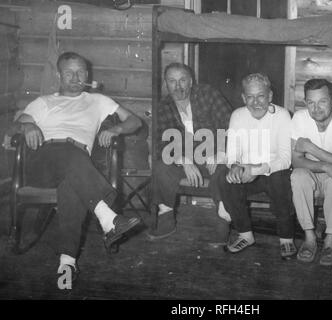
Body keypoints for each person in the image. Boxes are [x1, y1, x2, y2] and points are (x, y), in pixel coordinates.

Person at [15, 52, 142, 281]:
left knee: (71, 185)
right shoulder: (44, 101)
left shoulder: (98, 101)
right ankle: (108, 217)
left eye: (80, 72)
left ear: (87, 75)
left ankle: (67, 263)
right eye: (68, 72)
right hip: (43, 161)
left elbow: (134, 120)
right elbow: (20, 121)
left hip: (75, 165)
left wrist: (116, 129)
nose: (75, 77)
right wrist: (27, 126)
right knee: (72, 155)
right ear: (58, 75)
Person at [217, 73, 296, 259]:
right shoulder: (237, 115)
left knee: (280, 178)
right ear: (243, 98)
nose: (256, 102)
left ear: (270, 96)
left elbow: (286, 159)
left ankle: (286, 238)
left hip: (273, 171)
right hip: (247, 171)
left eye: (261, 96)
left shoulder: (283, 115)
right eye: (250, 97)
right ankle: (245, 235)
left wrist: (256, 169)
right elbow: (232, 153)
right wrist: (235, 166)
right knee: (225, 178)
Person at [149, 62, 233, 240]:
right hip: (185, 160)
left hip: (212, 155)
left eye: (182, 80)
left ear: (191, 82)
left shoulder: (208, 94)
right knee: (161, 165)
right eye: (172, 81)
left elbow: (229, 125)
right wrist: (183, 159)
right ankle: (166, 214)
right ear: (166, 83)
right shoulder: (163, 106)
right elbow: (160, 142)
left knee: (223, 170)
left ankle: (223, 215)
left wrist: (220, 153)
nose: (178, 86)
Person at [291, 79, 332, 266]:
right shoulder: (299, 118)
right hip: (310, 174)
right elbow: (296, 161)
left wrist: (311, 148)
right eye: (311, 102)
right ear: (305, 103)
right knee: (298, 176)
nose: (316, 108)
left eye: (322, 101)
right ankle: (309, 237)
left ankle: (330, 239)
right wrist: (327, 165)